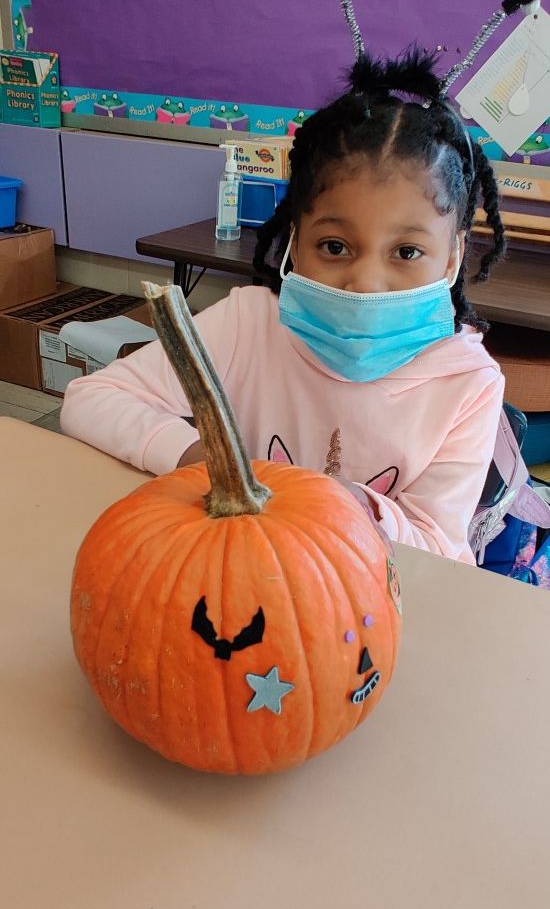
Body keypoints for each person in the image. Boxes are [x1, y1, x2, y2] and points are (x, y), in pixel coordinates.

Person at [61, 46, 508, 563]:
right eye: (334, 247)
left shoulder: (468, 386)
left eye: (407, 252)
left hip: (369, 599)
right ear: (294, 241)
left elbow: (439, 547)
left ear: (452, 257)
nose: (364, 282)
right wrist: (199, 458)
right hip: (239, 567)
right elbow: (92, 400)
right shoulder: (247, 324)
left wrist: (331, 504)